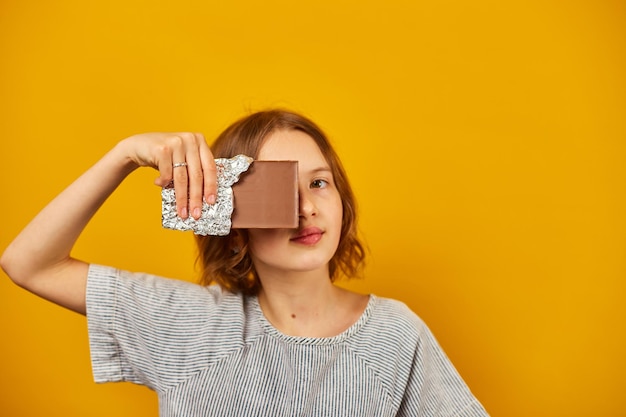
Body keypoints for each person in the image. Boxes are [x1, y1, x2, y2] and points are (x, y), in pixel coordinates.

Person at [1, 110, 489, 416]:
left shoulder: (393, 335)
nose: (307, 208)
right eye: (278, 190)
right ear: (231, 221)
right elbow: (28, 264)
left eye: (320, 183)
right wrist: (126, 154)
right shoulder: (185, 323)